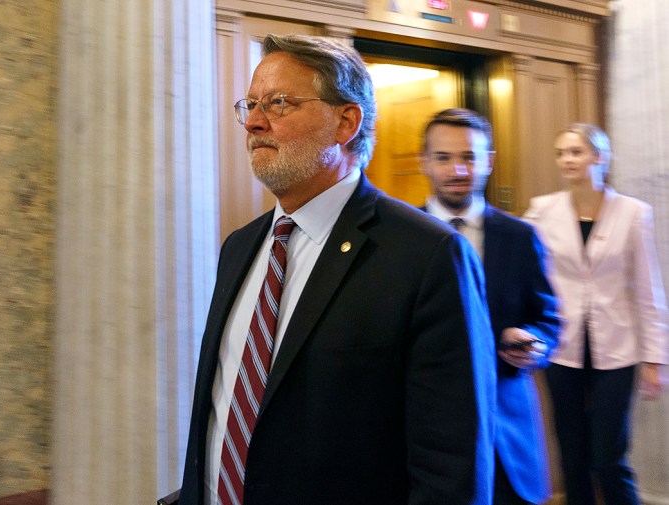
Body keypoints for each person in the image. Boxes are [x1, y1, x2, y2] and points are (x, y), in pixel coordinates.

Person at [178, 34, 496, 505]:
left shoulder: (428, 256)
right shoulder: (240, 247)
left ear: (346, 121)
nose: (254, 122)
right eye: (249, 104)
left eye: (279, 103)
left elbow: (451, 463)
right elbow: (221, 411)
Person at [419, 108, 561, 505]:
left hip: (506, 434)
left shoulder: (520, 237)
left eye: (469, 157)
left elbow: (549, 319)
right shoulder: (402, 236)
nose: (458, 170)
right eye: (444, 158)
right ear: (425, 162)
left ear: (489, 162)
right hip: (427, 438)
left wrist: (534, 340)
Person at [523, 123, 668, 505]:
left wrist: (655, 359)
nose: (566, 161)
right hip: (562, 348)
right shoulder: (541, 211)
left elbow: (648, 289)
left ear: (599, 157)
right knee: (571, 453)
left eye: (575, 152)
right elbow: (520, 264)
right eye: (561, 153)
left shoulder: (634, 213)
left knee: (607, 456)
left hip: (619, 350)